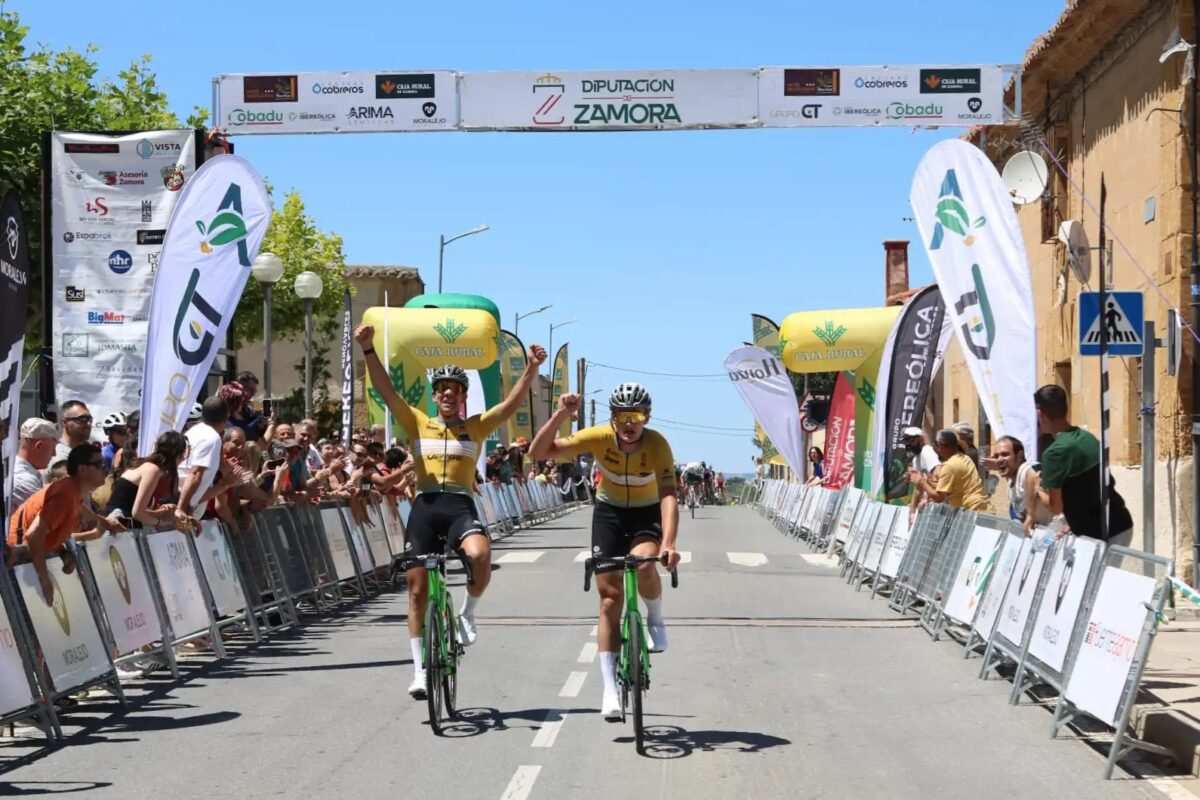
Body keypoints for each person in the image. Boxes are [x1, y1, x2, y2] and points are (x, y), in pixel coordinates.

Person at [355, 323, 546, 699]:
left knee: (480, 555)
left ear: (462, 396)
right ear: (435, 394)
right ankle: (420, 671)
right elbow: (387, 390)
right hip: (425, 506)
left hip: (459, 505)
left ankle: (467, 612)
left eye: (454, 389)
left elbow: (509, 407)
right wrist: (368, 349)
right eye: (441, 388)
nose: (447, 393)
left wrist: (530, 368)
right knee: (416, 590)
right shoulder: (417, 422)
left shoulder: (476, 427)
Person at [530, 384, 680, 721]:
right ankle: (609, 689)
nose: (629, 423)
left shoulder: (657, 444)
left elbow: (669, 495)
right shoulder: (598, 437)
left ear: (647, 417)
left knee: (644, 564)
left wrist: (669, 543)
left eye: (636, 415)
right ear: (612, 418)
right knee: (610, 600)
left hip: (645, 513)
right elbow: (539, 453)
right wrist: (561, 414)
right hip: (609, 514)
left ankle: (655, 616)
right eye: (622, 416)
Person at [8, 445, 121, 604]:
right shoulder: (65, 495)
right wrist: (44, 580)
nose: (105, 469)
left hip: (26, 563)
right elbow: (33, 535)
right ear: (82, 469)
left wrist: (104, 522)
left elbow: (80, 509)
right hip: (18, 566)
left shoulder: (72, 491)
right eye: (99, 465)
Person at [1026, 384, 1133, 544]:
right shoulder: (1087, 438)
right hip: (1121, 524)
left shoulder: (1054, 453)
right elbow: (1089, 488)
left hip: (1099, 535)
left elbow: (1055, 508)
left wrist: (1037, 489)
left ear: (1040, 414)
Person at [106, 431, 185, 528]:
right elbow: (137, 513)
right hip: (120, 524)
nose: (183, 459)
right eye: (183, 455)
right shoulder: (152, 470)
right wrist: (165, 524)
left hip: (122, 522)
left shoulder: (149, 466)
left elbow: (136, 507)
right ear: (176, 455)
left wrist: (166, 513)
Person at [176, 398, 229, 531]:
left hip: (182, 500)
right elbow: (195, 473)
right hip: (180, 503)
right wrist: (182, 508)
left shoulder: (195, 431)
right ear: (226, 417)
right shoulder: (212, 438)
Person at [908, 429, 990, 512]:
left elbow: (939, 497)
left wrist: (921, 482)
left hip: (973, 509)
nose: (936, 450)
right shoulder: (965, 458)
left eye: (936, 445)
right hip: (982, 507)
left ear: (943, 446)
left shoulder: (949, 466)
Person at [983, 435, 1052, 527]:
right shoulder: (1011, 482)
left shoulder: (1027, 470)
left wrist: (1038, 488)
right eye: (996, 456)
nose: (999, 459)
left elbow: (1035, 471)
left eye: (1005, 454)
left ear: (1019, 456)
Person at [12, 418, 57, 511]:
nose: (54, 454)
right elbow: (52, 512)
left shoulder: (26, 472)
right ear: (39, 446)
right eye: (52, 448)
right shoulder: (24, 478)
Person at [53, 401, 93, 474]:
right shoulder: (59, 456)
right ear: (64, 422)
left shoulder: (86, 451)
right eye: (82, 419)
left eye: (89, 419)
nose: (89, 424)